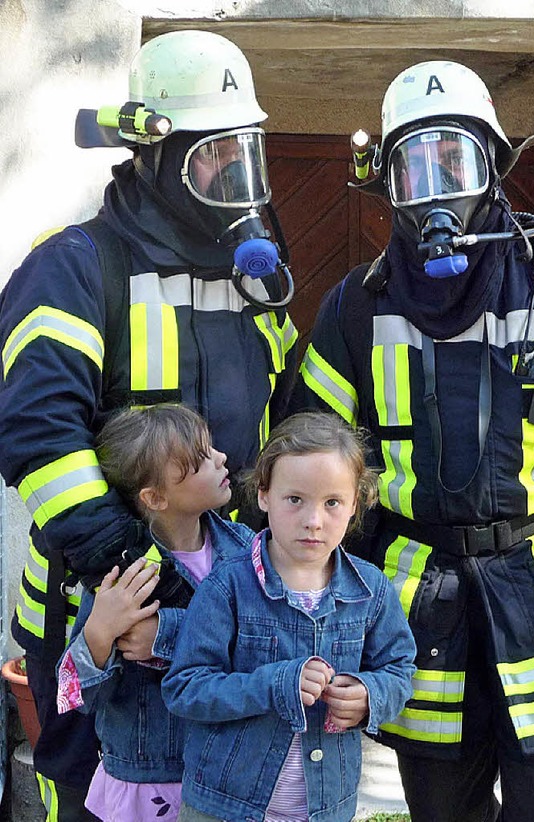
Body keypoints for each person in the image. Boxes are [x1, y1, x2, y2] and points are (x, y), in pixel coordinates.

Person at [292, 60, 534, 821]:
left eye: (456, 160)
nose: (438, 186)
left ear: (495, 168)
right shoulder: (356, 307)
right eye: (414, 166)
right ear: (386, 183)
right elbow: (304, 461)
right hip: (419, 612)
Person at [0, 30, 297, 820]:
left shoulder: (250, 281)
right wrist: (142, 579)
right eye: (213, 160)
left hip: (227, 607)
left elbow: (286, 433)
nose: (236, 182)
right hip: (98, 616)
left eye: (245, 156)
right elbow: (37, 437)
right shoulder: (72, 266)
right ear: (155, 156)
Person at [162, 411, 416, 822]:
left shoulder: (370, 590)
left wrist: (370, 696)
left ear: (355, 504)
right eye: (294, 499)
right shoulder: (228, 587)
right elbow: (185, 688)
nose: (313, 521)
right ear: (264, 495)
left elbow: (400, 669)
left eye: (332, 502)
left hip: (325, 808)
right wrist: (275, 684)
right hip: (225, 807)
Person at [56, 403, 253, 822]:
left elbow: (266, 641)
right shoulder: (124, 576)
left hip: (230, 775)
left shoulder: (248, 551)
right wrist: (99, 634)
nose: (221, 459)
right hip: (149, 785)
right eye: (201, 459)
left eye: (213, 448)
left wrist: (164, 632)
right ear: (155, 497)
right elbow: (75, 697)